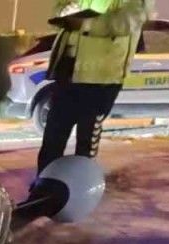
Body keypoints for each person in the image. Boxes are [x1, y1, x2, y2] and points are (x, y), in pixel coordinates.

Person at [36, 0, 151, 173]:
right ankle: (45, 182)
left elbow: (126, 22)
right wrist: (66, 13)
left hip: (100, 77)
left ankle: (81, 183)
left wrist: (85, 24)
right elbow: (59, 9)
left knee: (86, 142)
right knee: (53, 139)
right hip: (67, 70)